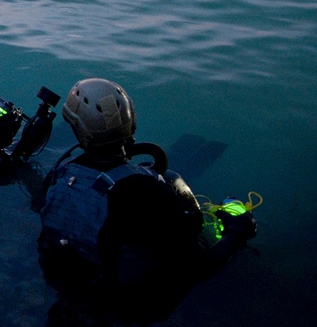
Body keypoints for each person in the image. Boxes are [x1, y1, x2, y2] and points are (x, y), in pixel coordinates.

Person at [38, 78, 257, 317]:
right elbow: (200, 266)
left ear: (76, 127)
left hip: (75, 285)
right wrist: (238, 231)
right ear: (130, 122)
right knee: (173, 184)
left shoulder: (59, 174)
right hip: (128, 303)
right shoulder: (145, 191)